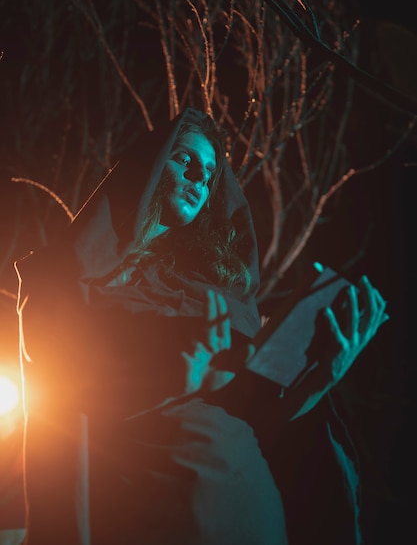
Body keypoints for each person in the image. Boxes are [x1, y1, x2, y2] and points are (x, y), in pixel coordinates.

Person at [15, 107, 387, 545]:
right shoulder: (63, 278)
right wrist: (171, 383)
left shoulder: (211, 296)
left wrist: (322, 377)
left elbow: (260, 422)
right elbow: (57, 414)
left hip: (251, 510)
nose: (199, 178)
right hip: (149, 515)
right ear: (147, 167)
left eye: (210, 174)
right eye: (184, 159)